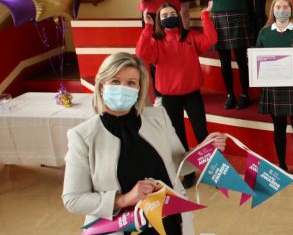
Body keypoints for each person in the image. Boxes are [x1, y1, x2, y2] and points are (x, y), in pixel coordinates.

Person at [62, 52, 227, 234]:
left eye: (131, 83)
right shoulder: (83, 136)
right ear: (101, 85)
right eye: (115, 81)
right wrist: (123, 199)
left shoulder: (158, 117)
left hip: (169, 222)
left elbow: (178, 164)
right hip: (120, 228)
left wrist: (202, 151)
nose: (123, 88)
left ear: (139, 88)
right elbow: (73, 199)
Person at [135, 2, 217, 189]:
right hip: (170, 96)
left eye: (172, 13)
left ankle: (211, 169)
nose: (168, 17)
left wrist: (205, 16)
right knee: (178, 138)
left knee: (202, 133)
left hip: (193, 94)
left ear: (178, 16)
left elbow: (210, 40)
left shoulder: (190, 37)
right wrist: (147, 27)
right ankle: (187, 173)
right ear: (159, 20)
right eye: (164, 15)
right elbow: (141, 52)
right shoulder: (155, 42)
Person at [256, 0, 293, 177]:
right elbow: (258, 57)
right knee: (278, 127)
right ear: (272, 10)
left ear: (291, 9)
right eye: (277, 7)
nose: (281, 10)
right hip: (273, 87)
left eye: (285, 7)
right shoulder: (264, 32)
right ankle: (282, 165)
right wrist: (252, 60)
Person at [198, 0, 252, 109]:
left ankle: (244, 94)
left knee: (242, 60)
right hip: (220, 19)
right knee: (225, 61)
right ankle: (230, 95)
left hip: (238, 18)